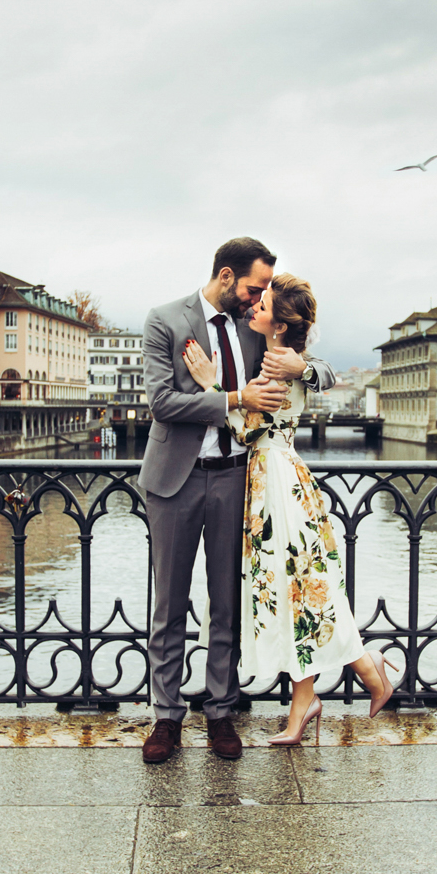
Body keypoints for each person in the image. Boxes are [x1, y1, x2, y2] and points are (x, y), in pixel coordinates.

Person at [137, 238, 334, 764]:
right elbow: (161, 402)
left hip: (237, 480)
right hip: (174, 480)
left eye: (264, 290)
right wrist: (231, 396)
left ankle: (221, 712)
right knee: (169, 604)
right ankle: (166, 718)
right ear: (226, 277)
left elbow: (316, 372)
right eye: (253, 287)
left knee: (226, 603)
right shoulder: (165, 321)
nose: (258, 298)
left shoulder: (254, 330)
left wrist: (302, 372)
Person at [182, 273, 395, 746]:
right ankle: (331, 686)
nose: (255, 306)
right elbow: (314, 378)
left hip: (276, 482)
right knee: (298, 587)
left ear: (279, 323)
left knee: (297, 586)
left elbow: (248, 430)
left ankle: (358, 672)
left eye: (264, 304)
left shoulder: (278, 363)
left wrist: (209, 384)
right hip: (275, 481)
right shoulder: (279, 358)